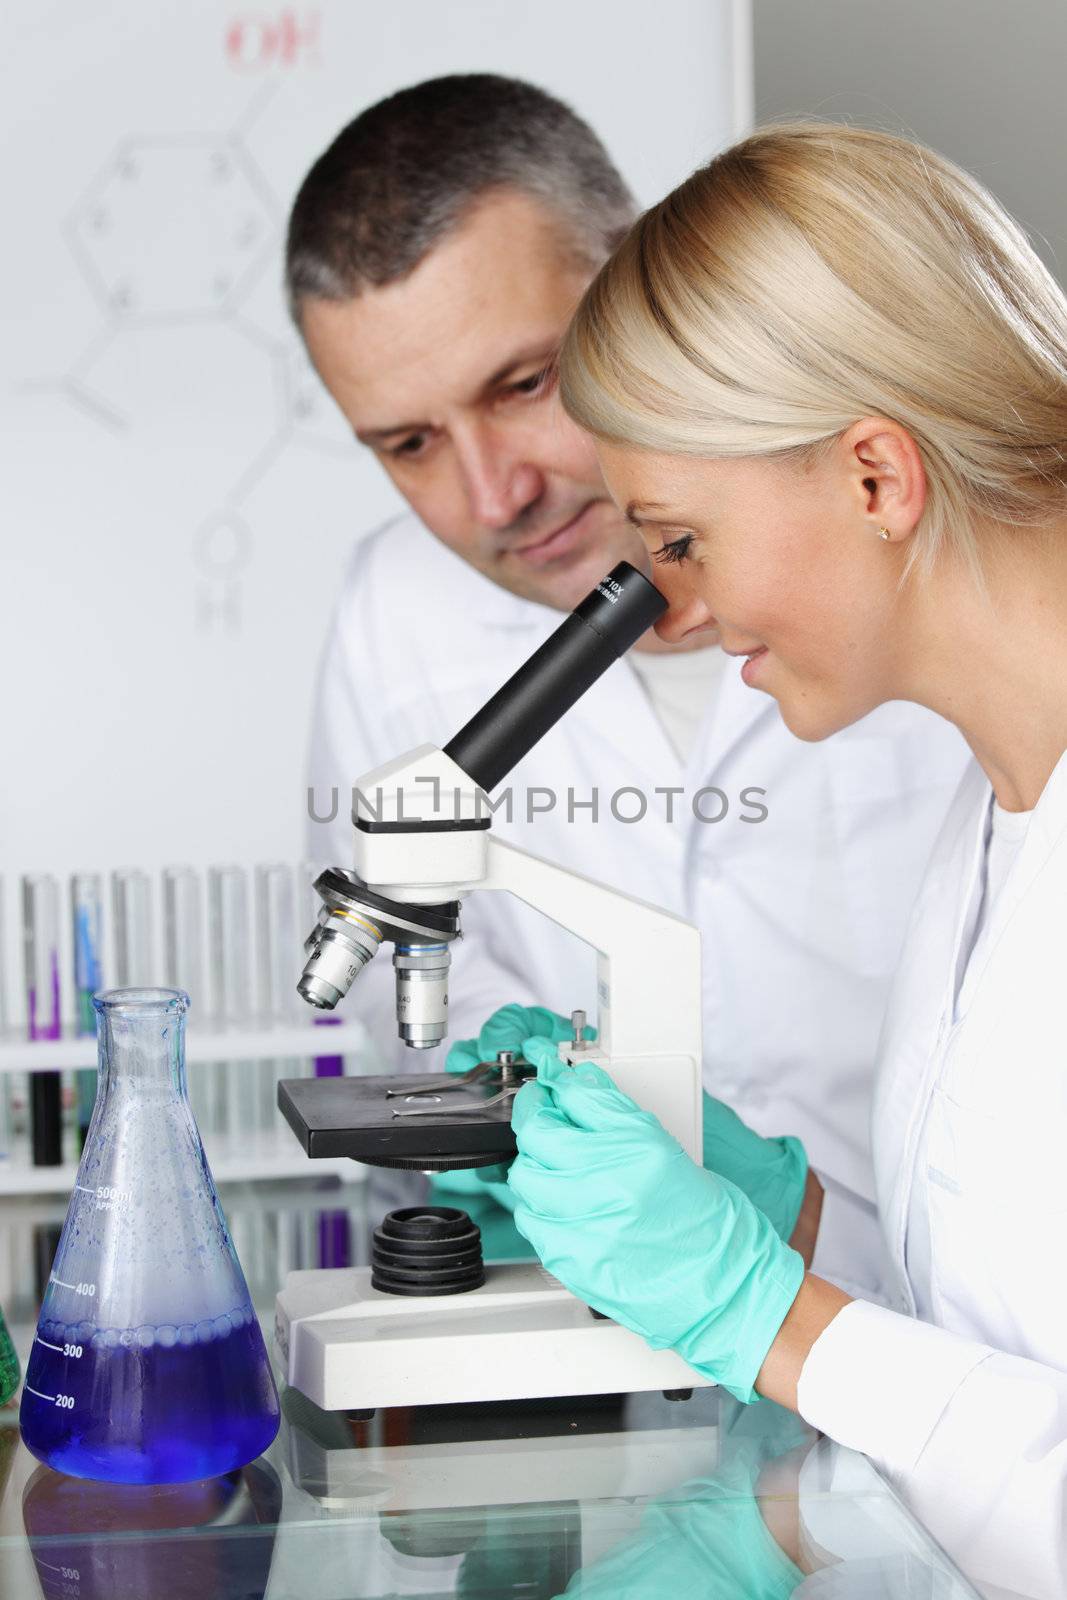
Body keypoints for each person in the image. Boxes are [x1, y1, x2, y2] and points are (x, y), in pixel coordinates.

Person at [486, 121, 1067, 1596]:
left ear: (872, 475)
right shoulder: (993, 813)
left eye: (678, 542)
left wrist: (767, 1318)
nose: (666, 612)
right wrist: (774, 1215)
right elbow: (1000, 1323)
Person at [288, 76, 969, 1297]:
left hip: (961, 1328)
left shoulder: (899, 547)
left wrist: (801, 1248)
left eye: (522, 384)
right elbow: (444, 992)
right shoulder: (392, 612)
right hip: (633, 1336)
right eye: (409, 444)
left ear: (643, 278)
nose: (495, 495)